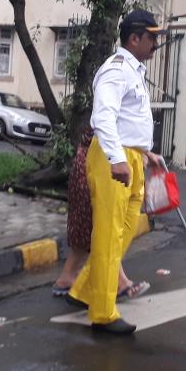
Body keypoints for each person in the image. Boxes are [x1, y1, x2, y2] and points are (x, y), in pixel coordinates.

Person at [65, 9, 164, 335]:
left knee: (126, 228)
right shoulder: (116, 70)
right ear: (134, 38)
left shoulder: (134, 71)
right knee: (108, 236)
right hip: (114, 159)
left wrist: (144, 152)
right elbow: (104, 116)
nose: (155, 43)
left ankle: (82, 288)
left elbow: (126, 120)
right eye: (152, 37)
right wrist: (116, 159)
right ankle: (103, 314)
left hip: (131, 156)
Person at [51, 125, 150, 301]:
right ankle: (119, 283)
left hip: (93, 166)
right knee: (105, 232)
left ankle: (67, 278)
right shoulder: (111, 109)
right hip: (100, 167)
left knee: (94, 232)